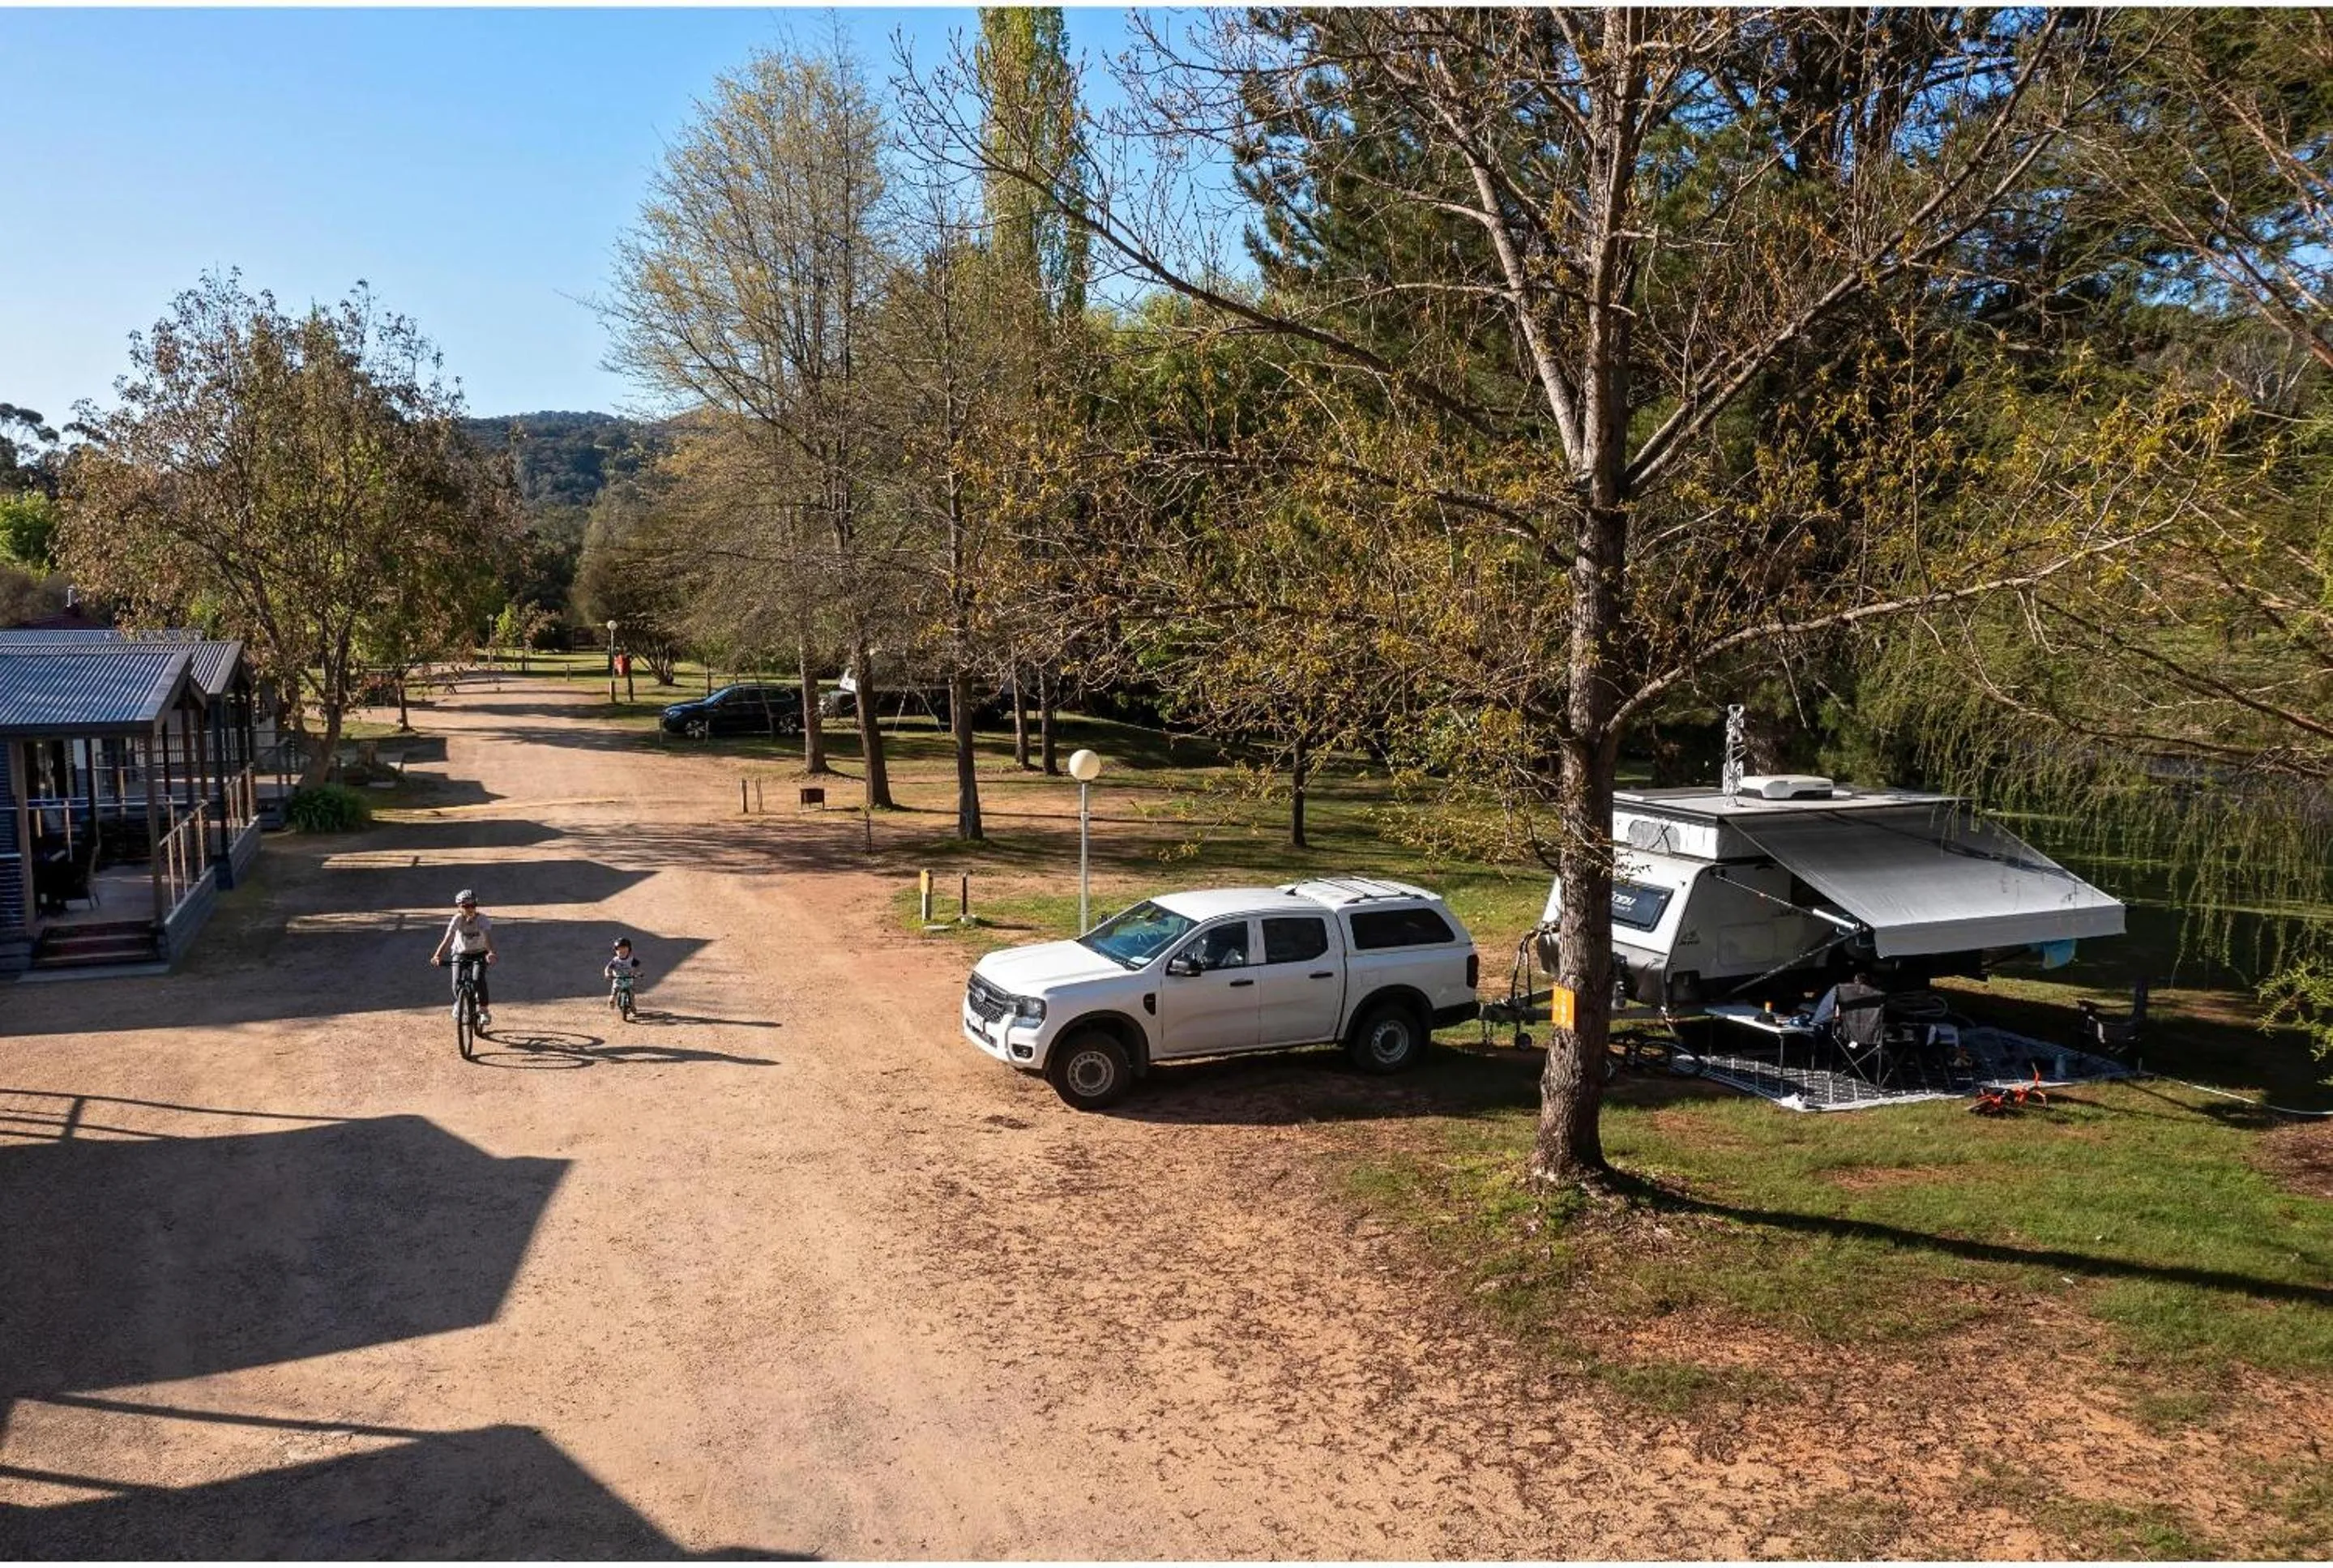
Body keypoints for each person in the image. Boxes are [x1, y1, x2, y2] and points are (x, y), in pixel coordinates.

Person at [429, 888, 497, 1028]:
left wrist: (490, 953)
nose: (470, 909)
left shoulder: (482, 919)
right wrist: (438, 955)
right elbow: (448, 939)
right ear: (459, 907)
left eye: (473, 905)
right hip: (460, 953)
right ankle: (459, 1002)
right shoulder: (457, 919)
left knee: (478, 979)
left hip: (479, 953)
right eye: (466, 906)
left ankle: (484, 1011)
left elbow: (487, 938)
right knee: (456, 983)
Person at [605, 937, 643, 1012]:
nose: (622, 953)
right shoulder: (615, 961)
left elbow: (638, 966)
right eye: (620, 951)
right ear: (616, 951)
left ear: (629, 951)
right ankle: (612, 1001)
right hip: (618, 979)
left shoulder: (631, 959)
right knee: (614, 991)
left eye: (625, 951)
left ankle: (632, 1006)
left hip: (629, 978)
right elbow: (608, 968)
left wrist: (639, 973)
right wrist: (607, 973)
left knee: (631, 993)